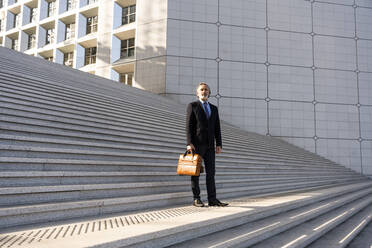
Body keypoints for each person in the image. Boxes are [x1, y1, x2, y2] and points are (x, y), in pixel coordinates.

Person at [186, 82, 228, 207]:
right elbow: (188, 126)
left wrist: (219, 144)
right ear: (197, 93)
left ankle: (212, 199)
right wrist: (189, 143)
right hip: (196, 145)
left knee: (211, 173)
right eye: (202, 90)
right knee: (196, 172)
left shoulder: (214, 108)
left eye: (206, 90)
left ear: (209, 93)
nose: (204, 91)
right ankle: (196, 198)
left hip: (210, 146)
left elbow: (217, 128)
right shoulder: (192, 106)